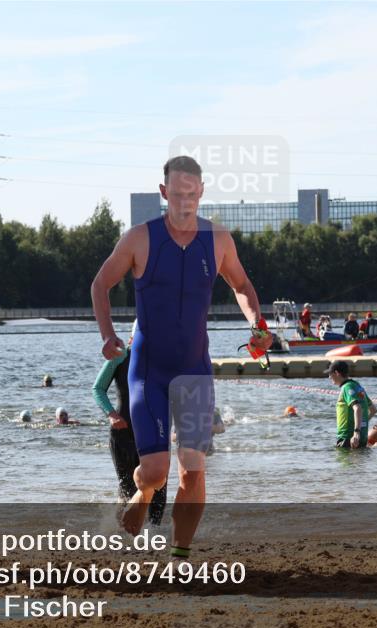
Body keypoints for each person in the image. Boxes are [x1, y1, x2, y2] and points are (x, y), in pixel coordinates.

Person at [90, 155, 271, 556]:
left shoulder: (218, 240)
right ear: (163, 192)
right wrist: (107, 335)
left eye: (192, 194)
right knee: (155, 471)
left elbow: (242, 285)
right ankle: (141, 496)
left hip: (194, 371)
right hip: (148, 372)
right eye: (177, 194)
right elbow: (100, 283)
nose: (185, 202)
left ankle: (180, 555)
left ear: (201, 192)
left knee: (193, 469)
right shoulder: (139, 238)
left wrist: (257, 323)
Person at [93, 335, 167, 524]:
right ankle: (118, 530)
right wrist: (111, 414)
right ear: (132, 339)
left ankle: (154, 532)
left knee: (158, 485)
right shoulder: (120, 357)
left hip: (153, 432)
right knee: (128, 487)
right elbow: (98, 388)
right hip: (123, 433)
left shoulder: (160, 360)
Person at [326, 359, 376, 449]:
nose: (329, 377)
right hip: (362, 438)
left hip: (348, 438)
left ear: (337, 373)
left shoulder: (346, 387)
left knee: (345, 462)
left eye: (330, 374)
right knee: (359, 463)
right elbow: (373, 410)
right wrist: (361, 427)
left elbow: (357, 408)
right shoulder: (357, 386)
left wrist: (356, 432)